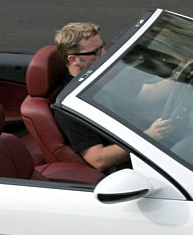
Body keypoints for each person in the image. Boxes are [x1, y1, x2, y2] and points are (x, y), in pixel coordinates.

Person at [52, 22, 173, 173]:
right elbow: (98, 159)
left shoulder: (102, 79)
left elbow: (149, 94)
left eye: (102, 47)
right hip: (133, 168)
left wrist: (182, 80)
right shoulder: (70, 106)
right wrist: (148, 136)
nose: (104, 54)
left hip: (153, 148)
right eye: (95, 52)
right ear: (73, 60)